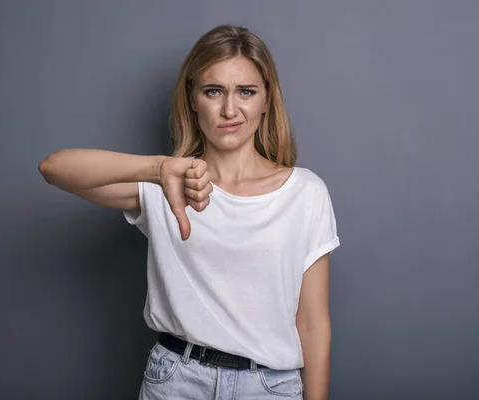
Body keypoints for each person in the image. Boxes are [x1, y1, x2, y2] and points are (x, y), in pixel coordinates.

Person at [39, 24, 340, 400]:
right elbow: (54, 168)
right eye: (213, 91)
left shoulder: (305, 193)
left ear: (266, 99)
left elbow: (313, 324)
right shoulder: (165, 183)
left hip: (269, 387)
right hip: (177, 382)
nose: (230, 109)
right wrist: (158, 169)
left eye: (246, 91)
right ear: (192, 99)